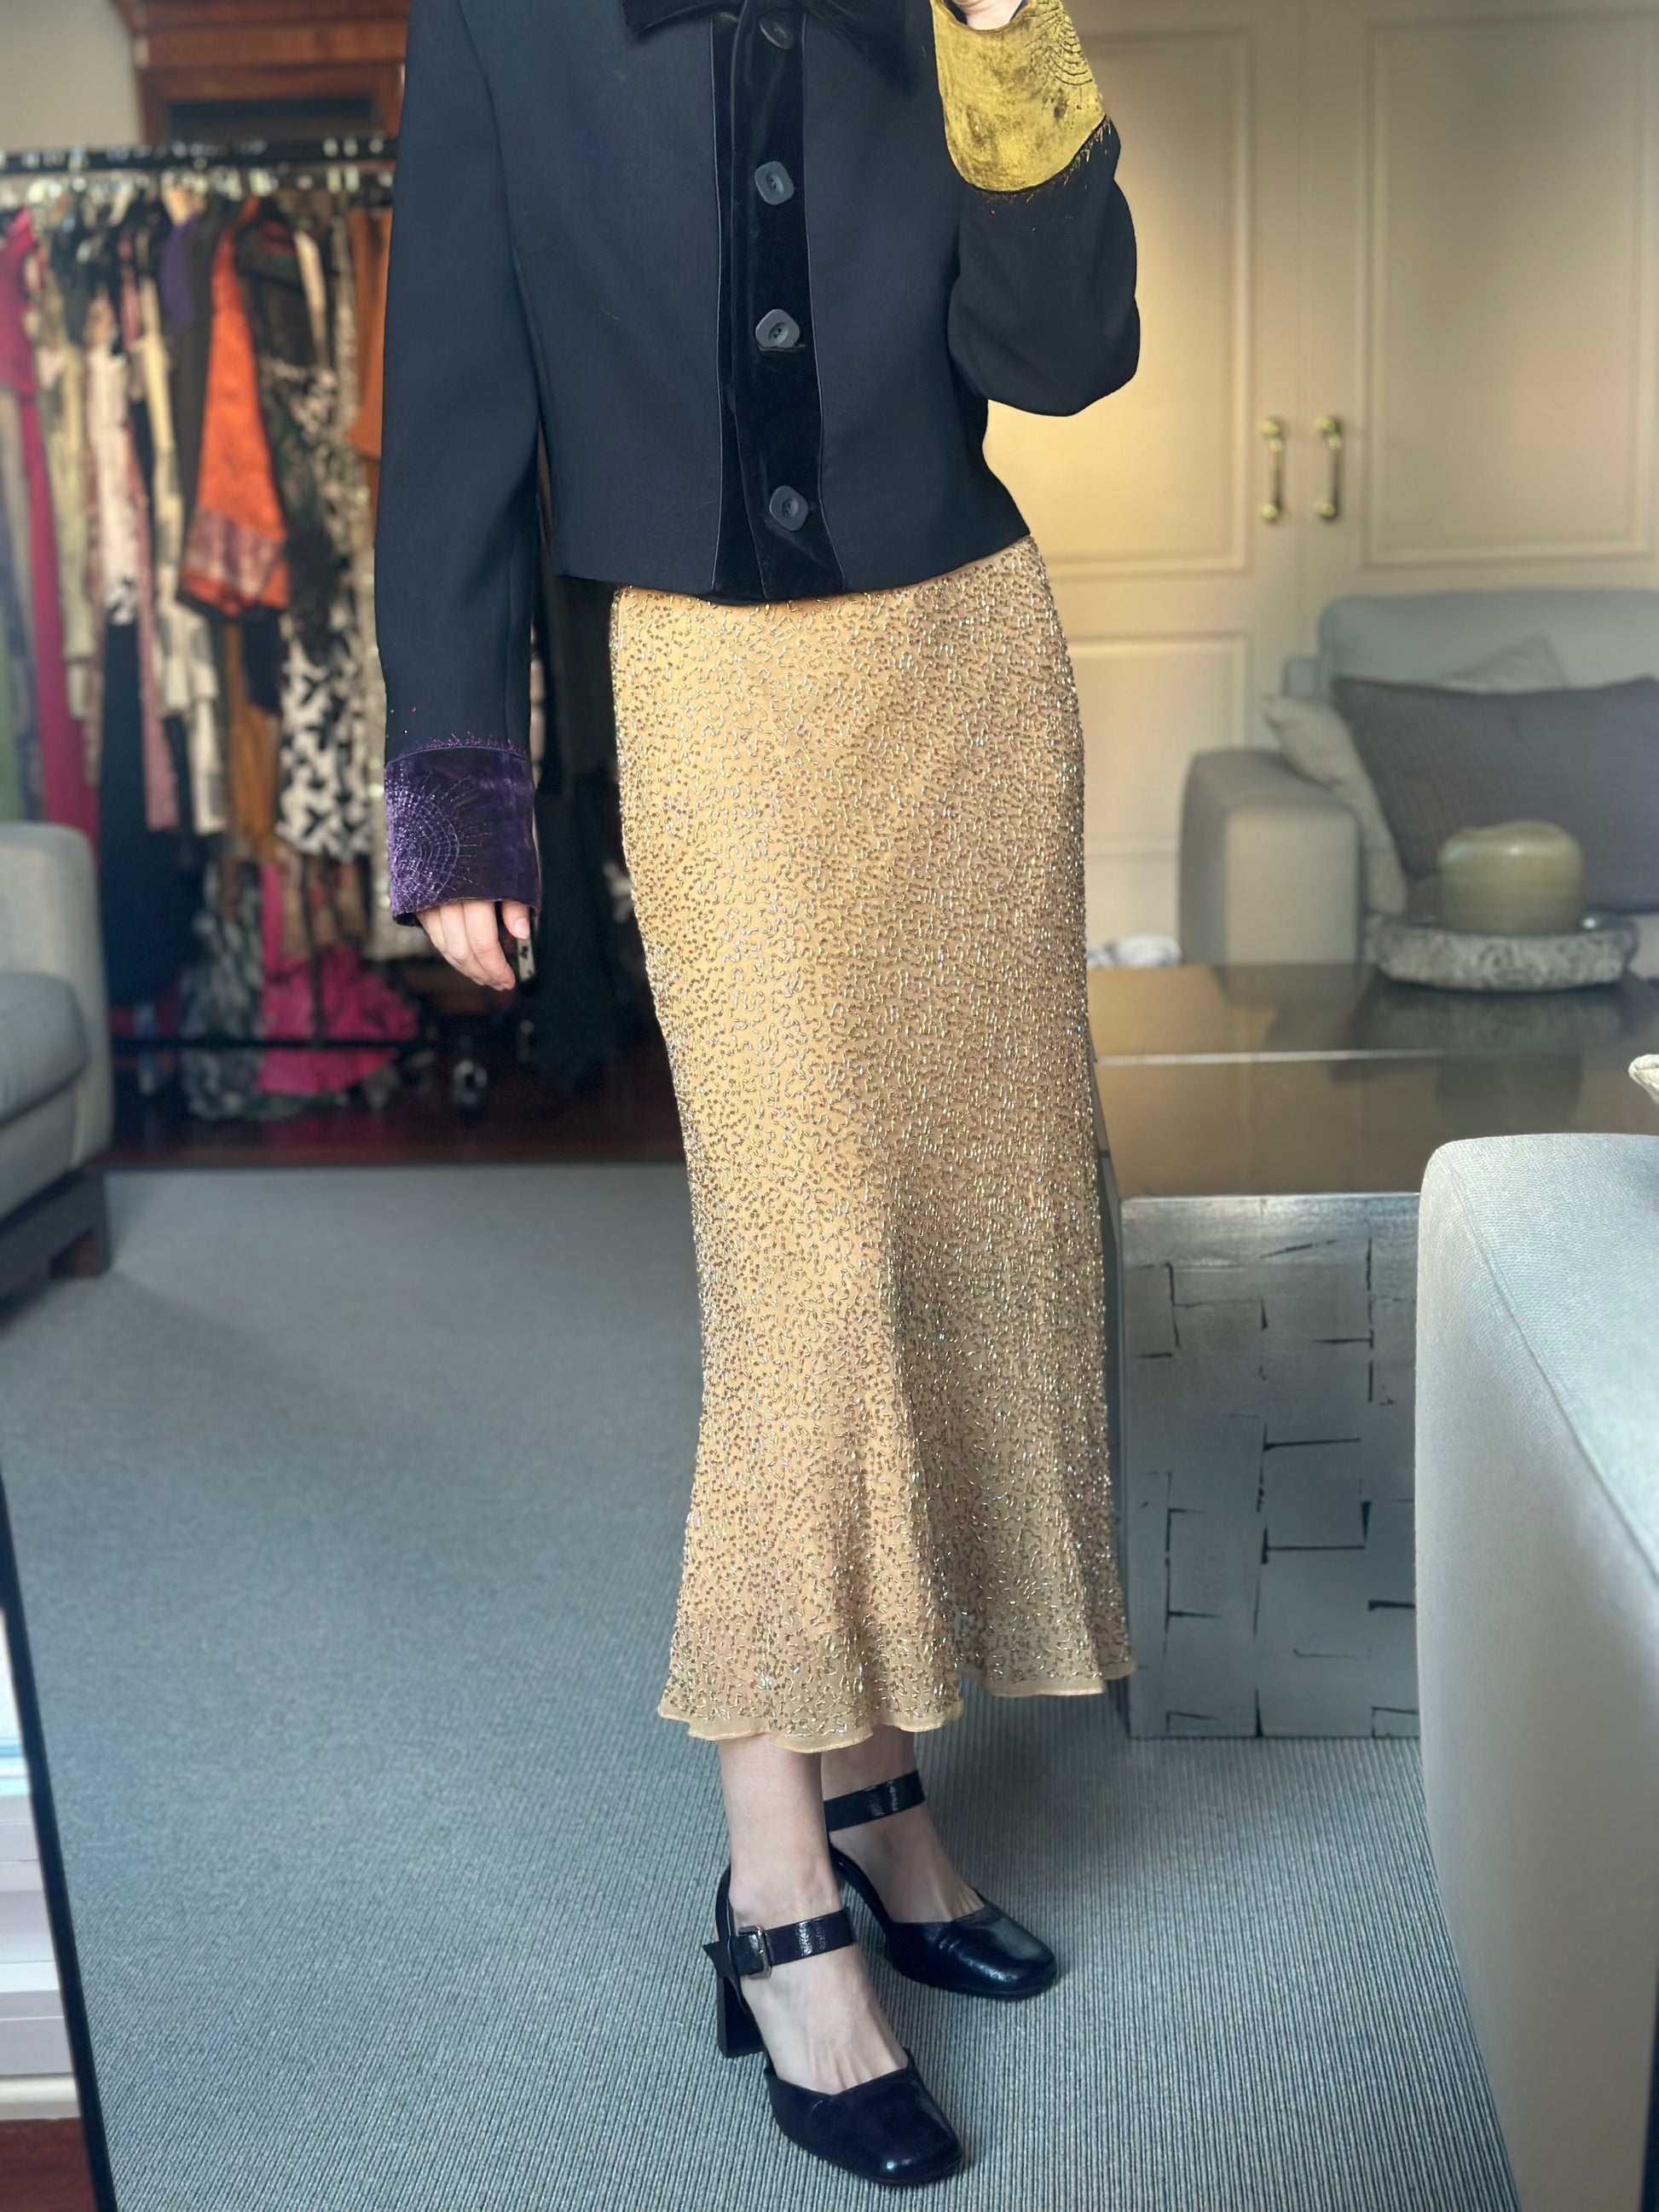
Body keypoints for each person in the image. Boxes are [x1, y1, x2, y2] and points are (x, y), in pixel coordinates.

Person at [377, 0, 1139, 2186]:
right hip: (712, 698)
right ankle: (775, 1889)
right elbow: (452, 411)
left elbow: (1067, 357)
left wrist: (999, 32)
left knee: (962, 1249)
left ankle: (886, 1805)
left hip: (966, 677)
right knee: (810, 1285)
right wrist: (464, 794)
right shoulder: (500, 23)